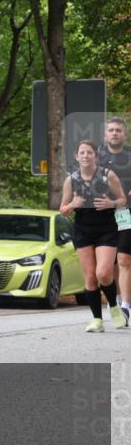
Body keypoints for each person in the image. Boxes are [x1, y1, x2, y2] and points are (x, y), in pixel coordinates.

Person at [59, 140, 126, 332]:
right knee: (90, 277)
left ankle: (114, 306)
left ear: (95, 156)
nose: (86, 156)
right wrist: (73, 204)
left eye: (89, 152)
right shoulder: (71, 180)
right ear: (77, 156)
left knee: (103, 273)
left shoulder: (107, 175)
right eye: (82, 152)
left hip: (106, 229)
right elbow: (62, 209)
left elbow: (122, 199)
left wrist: (110, 204)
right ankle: (97, 320)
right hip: (82, 230)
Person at [97, 116, 131, 327]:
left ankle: (126, 305)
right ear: (105, 134)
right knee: (111, 262)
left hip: (126, 212)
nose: (115, 133)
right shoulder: (97, 158)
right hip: (103, 214)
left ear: (124, 134)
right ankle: (116, 299)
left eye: (119, 130)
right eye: (111, 130)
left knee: (125, 258)